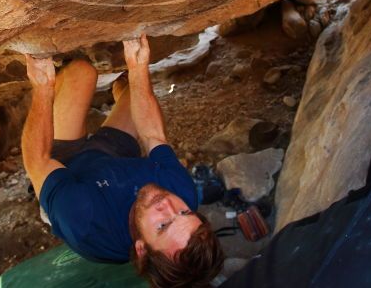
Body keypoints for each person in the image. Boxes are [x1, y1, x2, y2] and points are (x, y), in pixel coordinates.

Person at [21, 34, 224, 287]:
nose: (168, 205)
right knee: (135, 91)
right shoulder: (181, 196)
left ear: (141, 248)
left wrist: (42, 88)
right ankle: (120, 87)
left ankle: (60, 84)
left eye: (162, 225)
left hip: (66, 169)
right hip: (114, 161)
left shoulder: (85, 224)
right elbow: (152, 136)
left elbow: (37, 161)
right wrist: (138, 65)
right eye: (184, 212)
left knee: (81, 73)